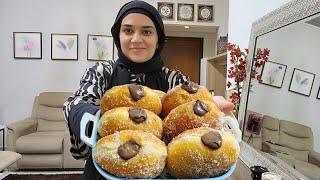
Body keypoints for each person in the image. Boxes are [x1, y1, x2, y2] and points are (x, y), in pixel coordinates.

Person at [63, 1, 234, 179]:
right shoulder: (102, 72)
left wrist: (213, 107)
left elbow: (196, 110)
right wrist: (102, 120)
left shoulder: (174, 80)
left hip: (159, 172)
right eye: (128, 30)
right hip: (104, 172)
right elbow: (73, 104)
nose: (136, 39)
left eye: (146, 31)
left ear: (158, 38)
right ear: (118, 36)